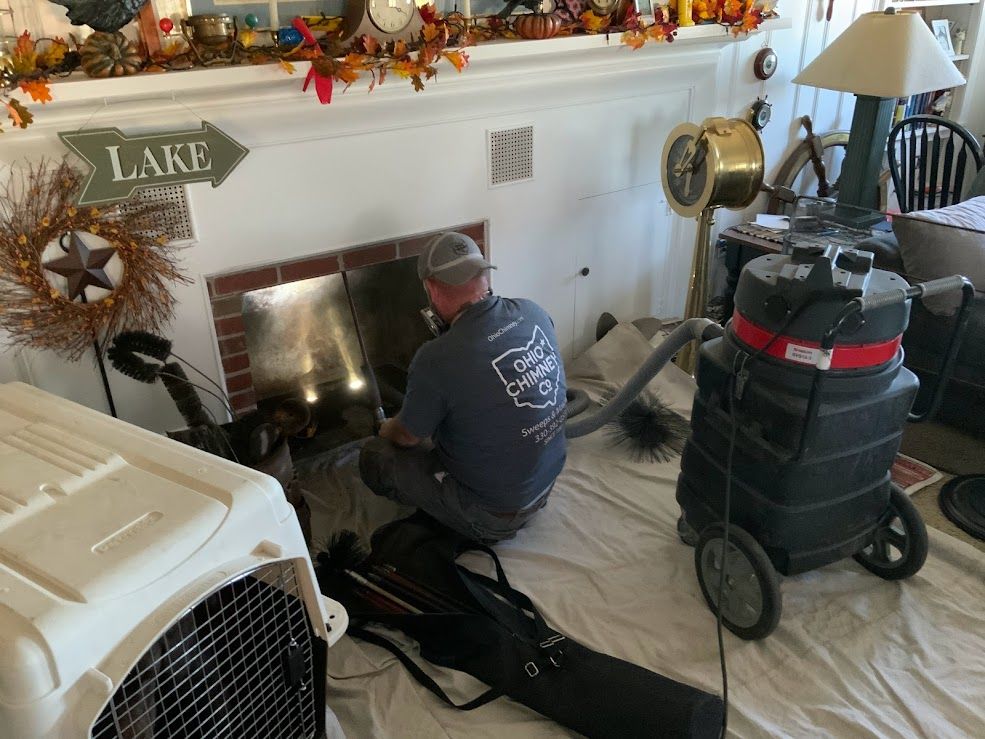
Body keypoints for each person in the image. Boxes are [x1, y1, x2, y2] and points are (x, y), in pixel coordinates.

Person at [359, 231, 567, 542]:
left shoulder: (436, 357)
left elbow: (406, 437)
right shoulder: (532, 311)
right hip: (545, 484)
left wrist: (386, 427)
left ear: (430, 288)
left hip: (493, 515)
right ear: (484, 275)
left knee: (375, 456)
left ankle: (457, 516)